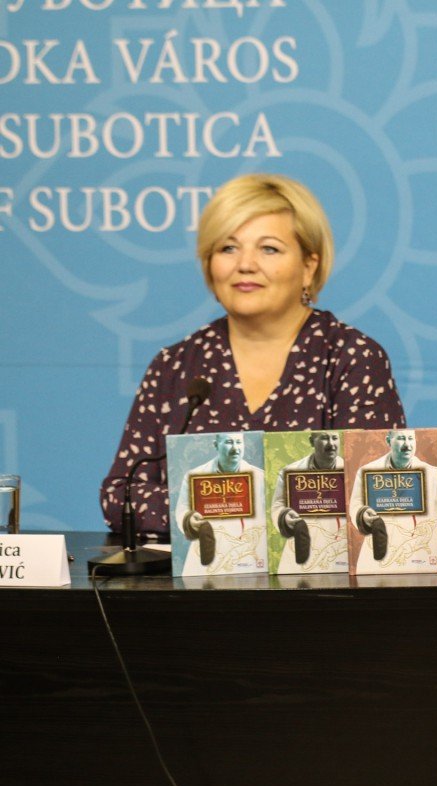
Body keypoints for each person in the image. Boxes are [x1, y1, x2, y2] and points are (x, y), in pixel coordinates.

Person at [100, 174, 406, 535]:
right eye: (228, 248)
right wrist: (245, 514)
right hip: (192, 573)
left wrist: (217, 509)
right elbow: (121, 496)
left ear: (309, 266)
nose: (245, 264)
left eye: (269, 249)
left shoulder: (351, 358)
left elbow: (379, 496)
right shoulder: (175, 366)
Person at [347, 429, 437, 573]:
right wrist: (363, 514)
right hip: (380, 554)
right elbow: (356, 505)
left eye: (410, 439)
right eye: (401, 438)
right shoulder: (368, 471)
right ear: (389, 441)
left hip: (419, 556)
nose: (407, 445)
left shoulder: (433, 474)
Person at [174, 432, 266, 573]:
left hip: (247, 558)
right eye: (229, 442)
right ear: (216, 445)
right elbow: (182, 510)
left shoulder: (260, 477)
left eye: (239, 442)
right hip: (206, 557)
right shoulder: (194, 476)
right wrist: (190, 520)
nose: (235, 448)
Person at [271, 430, 347, 572]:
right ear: (312, 442)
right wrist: (284, 516)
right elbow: (278, 505)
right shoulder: (290, 471)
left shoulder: (351, 469)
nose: (331, 444)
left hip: (340, 552)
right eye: (324, 438)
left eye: (334, 438)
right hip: (300, 554)